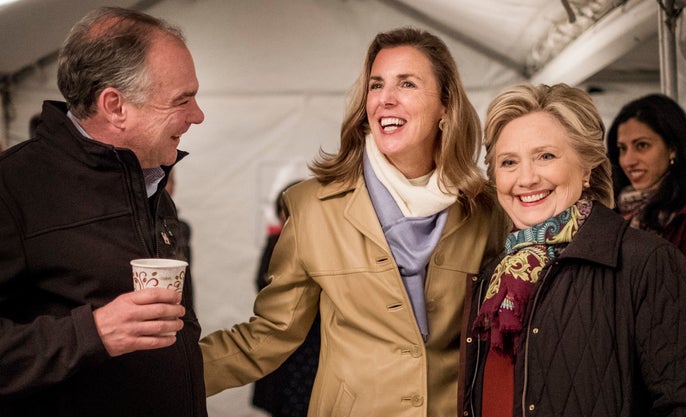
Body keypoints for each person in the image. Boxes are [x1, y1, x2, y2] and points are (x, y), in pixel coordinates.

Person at [201, 27, 505, 416]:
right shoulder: (313, 206)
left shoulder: (484, 210)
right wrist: (163, 376)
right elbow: (270, 334)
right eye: (376, 85)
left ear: (446, 105)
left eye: (407, 84)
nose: (385, 99)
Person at [459, 83, 686, 417]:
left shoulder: (646, 262)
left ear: (586, 168)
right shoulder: (494, 277)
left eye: (545, 156)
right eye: (508, 162)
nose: (525, 178)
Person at [0, 7, 206, 417]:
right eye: (182, 100)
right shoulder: (11, 189)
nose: (197, 115)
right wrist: (91, 333)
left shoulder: (148, 181)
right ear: (115, 106)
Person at [606, 94, 686, 338]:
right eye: (622, 149)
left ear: (673, 148)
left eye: (642, 146)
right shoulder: (613, 212)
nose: (628, 160)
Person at [251, 180, 321, 417]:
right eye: (286, 209)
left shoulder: (324, 247)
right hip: (283, 340)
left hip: (316, 344)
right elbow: (262, 287)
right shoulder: (274, 244)